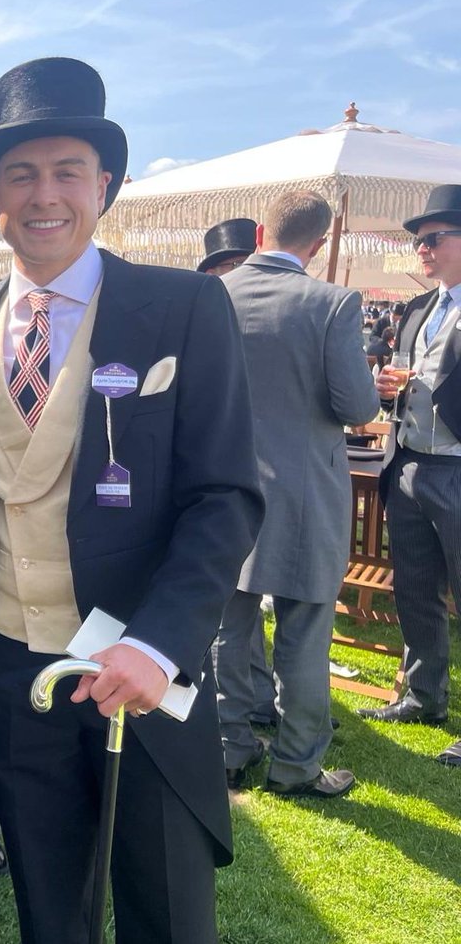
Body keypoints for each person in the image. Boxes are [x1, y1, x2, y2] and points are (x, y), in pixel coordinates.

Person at [0, 57, 263, 944]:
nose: (45, 195)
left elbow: (225, 496)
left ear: (104, 184)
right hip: (12, 667)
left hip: (138, 667)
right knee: (49, 906)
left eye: (67, 170)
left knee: (166, 910)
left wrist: (160, 643)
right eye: (20, 174)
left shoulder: (185, 306)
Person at [214, 190, 378, 798]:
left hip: (226, 491)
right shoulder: (332, 303)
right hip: (306, 491)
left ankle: (231, 746)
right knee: (305, 630)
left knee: (229, 625)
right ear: (317, 244)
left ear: (260, 233)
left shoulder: (215, 295)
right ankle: (296, 764)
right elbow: (359, 406)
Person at [359, 184, 461, 770]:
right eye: (419, 242)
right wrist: (390, 392)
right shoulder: (421, 308)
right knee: (414, 588)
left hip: (457, 466)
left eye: (433, 239)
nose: (421, 249)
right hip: (409, 462)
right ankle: (425, 697)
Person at [196, 216, 277, 730]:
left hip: (256, 475)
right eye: (227, 266)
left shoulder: (206, 305)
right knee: (236, 602)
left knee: (239, 603)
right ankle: (245, 707)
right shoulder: (193, 316)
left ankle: (247, 706)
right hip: (249, 476)